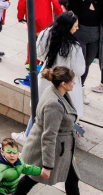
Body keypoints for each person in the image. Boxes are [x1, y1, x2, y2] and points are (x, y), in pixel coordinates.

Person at [14, 66, 81, 195]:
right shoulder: (54, 104)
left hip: (61, 150)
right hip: (50, 151)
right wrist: (48, 166)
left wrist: (74, 126)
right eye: (72, 81)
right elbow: (49, 136)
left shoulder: (56, 92)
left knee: (72, 179)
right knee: (31, 178)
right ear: (63, 83)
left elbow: (64, 118)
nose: (74, 83)